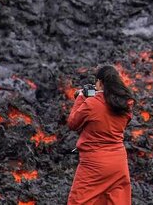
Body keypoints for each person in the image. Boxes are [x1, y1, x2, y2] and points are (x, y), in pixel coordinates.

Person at [66, 64, 134, 205]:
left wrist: (81, 98)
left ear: (100, 82)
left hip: (94, 164)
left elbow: (73, 123)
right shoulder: (125, 104)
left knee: (79, 201)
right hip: (118, 163)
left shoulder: (92, 103)